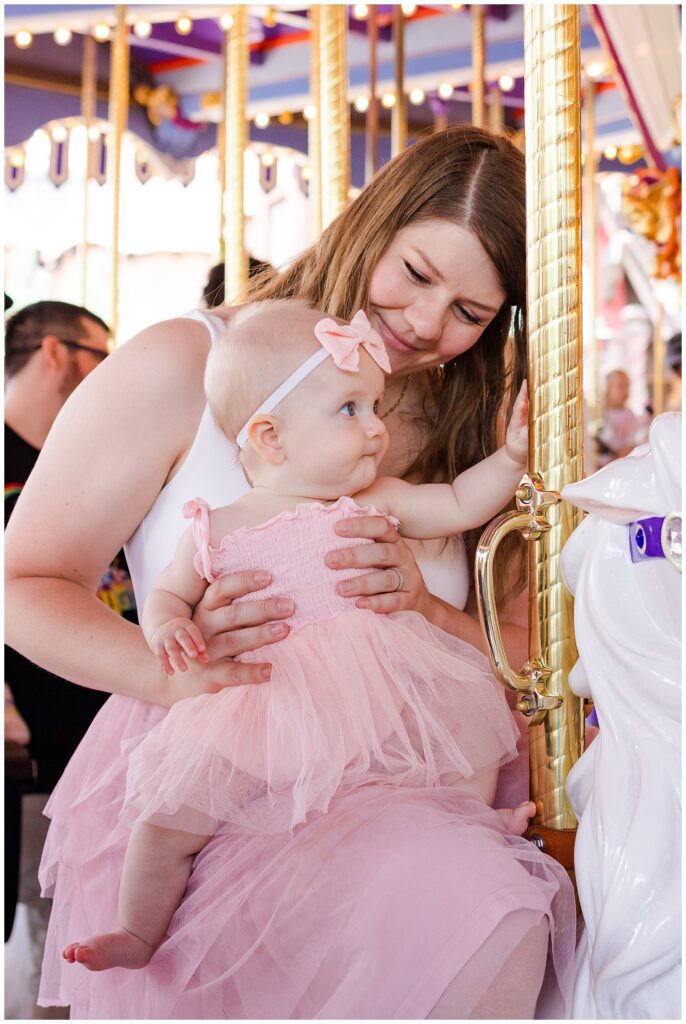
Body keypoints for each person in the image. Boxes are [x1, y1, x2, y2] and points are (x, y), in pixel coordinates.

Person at [5, 125, 575, 1019]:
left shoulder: (474, 422)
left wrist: (424, 605)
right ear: (371, 225)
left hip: (404, 794)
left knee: (486, 910)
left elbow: (528, 662)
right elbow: (24, 581)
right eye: (418, 274)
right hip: (231, 773)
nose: (428, 324)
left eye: (470, 312)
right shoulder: (187, 364)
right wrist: (173, 668)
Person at [62, 300, 535, 972]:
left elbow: (458, 502)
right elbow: (169, 591)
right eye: (350, 410)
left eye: (374, 406)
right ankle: (139, 930)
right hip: (262, 705)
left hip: (373, 695)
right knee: (167, 822)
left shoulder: (372, 501)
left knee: (464, 728)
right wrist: (168, 626)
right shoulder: (218, 526)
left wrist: (512, 458)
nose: (375, 430)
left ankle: (471, 827)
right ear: (271, 436)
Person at [3, 300, 136, 1016]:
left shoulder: (80, 460)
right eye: (99, 356)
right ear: (55, 353)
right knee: (44, 934)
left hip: (109, 727)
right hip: (39, 744)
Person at [597, 368, 649, 466]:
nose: (625, 391)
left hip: (621, 463)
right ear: (608, 388)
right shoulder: (601, 414)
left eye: (627, 386)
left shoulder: (629, 415)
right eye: (620, 386)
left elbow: (633, 440)